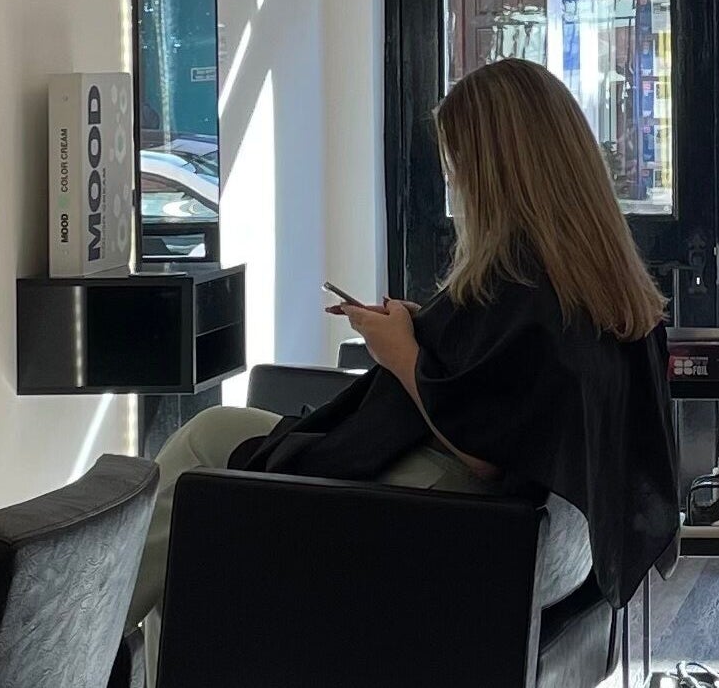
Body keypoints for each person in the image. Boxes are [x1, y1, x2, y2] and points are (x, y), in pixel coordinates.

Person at [126, 58, 679, 636]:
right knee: (209, 480)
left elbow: (483, 451)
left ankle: (85, 646)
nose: (456, 183)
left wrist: (403, 355)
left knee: (204, 441)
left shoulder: (524, 280)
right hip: (528, 534)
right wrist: (425, 332)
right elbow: (507, 385)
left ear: (498, 170)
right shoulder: (595, 281)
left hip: (451, 513)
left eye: (460, 165)